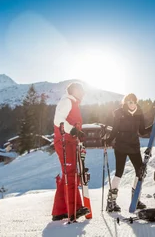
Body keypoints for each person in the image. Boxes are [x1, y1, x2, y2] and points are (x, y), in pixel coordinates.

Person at [104, 93, 155, 212]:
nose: (132, 104)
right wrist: (108, 140)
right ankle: (111, 202)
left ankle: (136, 199)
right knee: (119, 172)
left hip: (134, 146)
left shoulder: (139, 113)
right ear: (125, 102)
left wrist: (154, 125)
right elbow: (114, 130)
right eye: (129, 101)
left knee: (140, 172)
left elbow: (142, 130)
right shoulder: (119, 113)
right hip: (120, 145)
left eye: (134, 101)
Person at [51, 82, 90, 221]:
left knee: (67, 175)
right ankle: (75, 208)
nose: (83, 93)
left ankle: (59, 211)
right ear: (73, 90)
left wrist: (79, 133)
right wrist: (73, 131)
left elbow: (72, 123)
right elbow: (58, 121)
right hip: (64, 142)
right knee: (70, 174)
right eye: (81, 90)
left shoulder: (74, 104)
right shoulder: (67, 101)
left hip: (70, 142)